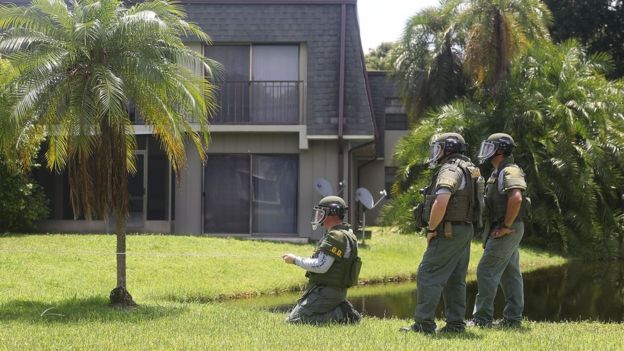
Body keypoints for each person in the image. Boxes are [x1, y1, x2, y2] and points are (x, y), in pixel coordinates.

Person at [401, 132, 482, 334]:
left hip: (448, 231)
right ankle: (455, 325)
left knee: (428, 273)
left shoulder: (451, 169)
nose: (435, 152)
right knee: (455, 278)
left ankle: (423, 324)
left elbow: (442, 200)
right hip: (465, 229)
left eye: (439, 148)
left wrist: (431, 228)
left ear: (448, 149)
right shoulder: (470, 168)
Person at [469, 133, 527, 328]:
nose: (486, 150)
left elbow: (516, 198)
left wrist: (506, 227)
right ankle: (512, 319)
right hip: (507, 229)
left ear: (500, 150)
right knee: (510, 274)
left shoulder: (509, 170)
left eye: (490, 147)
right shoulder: (497, 172)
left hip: (507, 230)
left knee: (486, 270)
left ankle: (481, 319)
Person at [282, 195, 362, 324]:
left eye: (322, 212)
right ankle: (341, 309)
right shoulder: (346, 233)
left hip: (327, 291)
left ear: (333, 213)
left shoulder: (336, 236)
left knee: (294, 321)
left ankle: (342, 314)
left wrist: (295, 260)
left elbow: (321, 266)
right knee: (294, 317)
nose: (318, 216)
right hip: (331, 290)